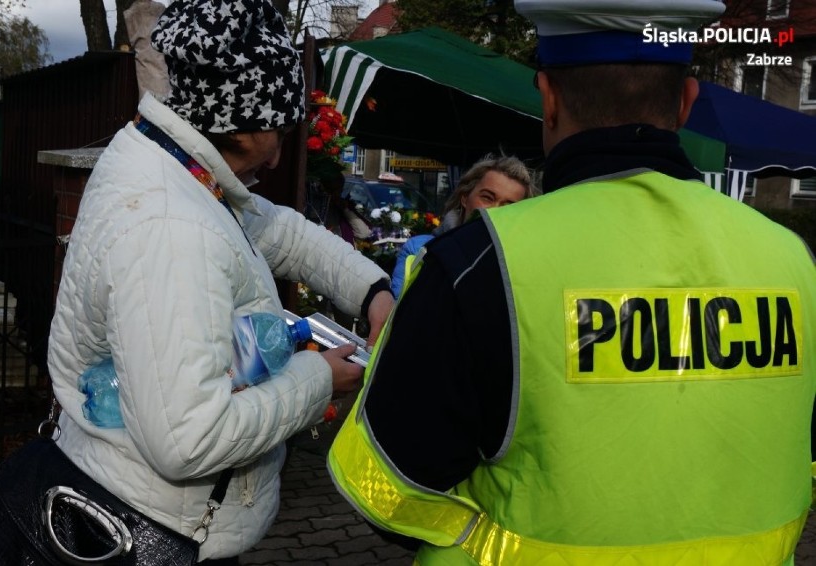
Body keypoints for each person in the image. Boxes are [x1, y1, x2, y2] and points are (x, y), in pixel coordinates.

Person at [328, 0, 816, 564]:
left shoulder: (480, 262)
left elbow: (388, 485)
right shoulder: (793, 261)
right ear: (685, 104)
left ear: (549, 99)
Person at [46, 0, 393, 564]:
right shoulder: (169, 225)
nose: (282, 151)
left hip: (152, 512)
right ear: (242, 117)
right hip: (157, 533)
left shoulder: (173, 165)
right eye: (281, 127)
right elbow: (189, 439)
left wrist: (373, 289)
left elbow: (275, 229)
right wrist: (317, 379)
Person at [389, 154, 538, 298]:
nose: (495, 211)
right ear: (465, 198)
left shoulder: (521, 266)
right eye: (487, 197)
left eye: (508, 206)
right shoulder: (419, 248)